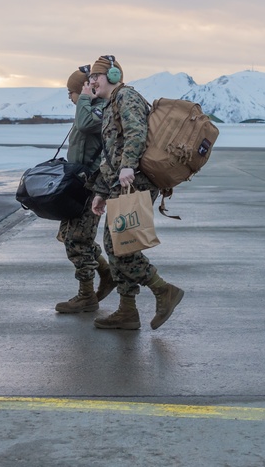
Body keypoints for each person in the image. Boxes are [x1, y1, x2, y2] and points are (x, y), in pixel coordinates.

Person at [87, 54, 185, 330]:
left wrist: (129, 165)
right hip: (121, 183)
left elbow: (136, 133)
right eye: (91, 77)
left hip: (135, 181)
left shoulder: (125, 97)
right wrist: (101, 191)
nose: (92, 81)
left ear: (114, 76)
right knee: (121, 243)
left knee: (118, 245)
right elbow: (111, 155)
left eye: (96, 75)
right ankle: (127, 310)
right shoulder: (110, 104)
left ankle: (162, 289)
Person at [53, 64, 116, 313]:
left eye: (71, 92)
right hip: (78, 183)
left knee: (78, 240)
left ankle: (86, 295)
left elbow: (85, 124)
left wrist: (86, 98)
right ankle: (105, 273)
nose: (70, 97)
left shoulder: (99, 109)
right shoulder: (89, 107)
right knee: (69, 237)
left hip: (91, 186)